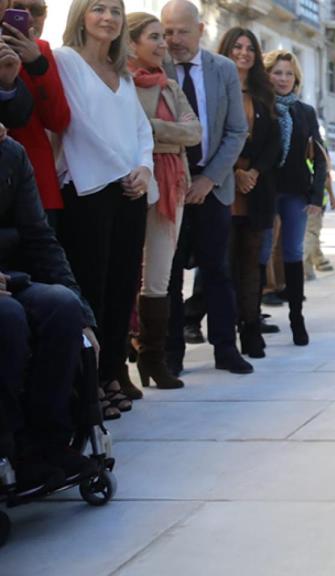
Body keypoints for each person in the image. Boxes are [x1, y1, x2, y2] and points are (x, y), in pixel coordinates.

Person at [55, 0, 154, 419]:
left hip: (129, 194)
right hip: (88, 190)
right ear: (81, 15)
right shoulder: (65, 61)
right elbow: (76, 123)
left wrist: (144, 169)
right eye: (99, 9)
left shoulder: (124, 76)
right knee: (90, 288)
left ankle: (112, 372)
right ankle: (87, 382)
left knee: (121, 289)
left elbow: (141, 130)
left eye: (115, 10)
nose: (109, 18)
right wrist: (122, 170)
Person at [0, 136, 101, 489]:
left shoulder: (10, 153)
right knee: (8, 318)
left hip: (11, 278)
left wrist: (84, 316)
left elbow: (40, 238)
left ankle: (46, 443)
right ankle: (7, 448)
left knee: (62, 306)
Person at [161, 0, 249, 375]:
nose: (174, 39)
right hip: (170, 187)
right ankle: (171, 354)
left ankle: (226, 349)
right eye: (167, 32)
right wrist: (182, 180)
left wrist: (209, 178)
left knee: (217, 271)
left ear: (200, 30)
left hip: (213, 186)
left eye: (182, 31)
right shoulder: (154, 67)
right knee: (169, 273)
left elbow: (235, 130)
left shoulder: (223, 69)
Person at [126, 11, 200, 389]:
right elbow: (125, 133)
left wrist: (152, 129)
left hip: (173, 187)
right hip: (132, 184)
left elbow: (194, 131)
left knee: (159, 277)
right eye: (154, 36)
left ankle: (153, 360)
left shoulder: (170, 86)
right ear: (131, 42)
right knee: (122, 276)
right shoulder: (121, 82)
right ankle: (117, 367)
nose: (162, 44)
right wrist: (163, 135)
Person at [218, 27, 280, 359]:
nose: (243, 53)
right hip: (224, 188)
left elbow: (273, 143)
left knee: (252, 266)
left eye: (249, 48)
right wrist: (234, 172)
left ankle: (252, 331)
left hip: (256, 190)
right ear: (225, 51)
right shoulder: (216, 89)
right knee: (223, 267)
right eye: (236, 47)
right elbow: (210, 139)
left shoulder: (263, 92)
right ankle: (225, 338)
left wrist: (252, 172)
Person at [264, 49, 325, 346]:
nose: (284, 78)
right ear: (267, 75)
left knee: (292, 255)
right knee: (260, 255)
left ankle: (297, 320)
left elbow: (321, 155)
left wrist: (317, 194)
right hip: (262, 191)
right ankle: (249, 322)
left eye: (289, 73)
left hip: (295, 192)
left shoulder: (305, 112)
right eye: (277, 72)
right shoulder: (259, 106)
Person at [4, 0, 70, 230]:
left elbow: (58, 120)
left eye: (38, 11)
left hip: (38, 184)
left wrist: (37, 65)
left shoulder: (41, 50)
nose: (30, 17)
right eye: (20, 9)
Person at [303, 141, 335, 280]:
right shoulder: (319, 148)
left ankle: (315, 262)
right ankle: (305, 265)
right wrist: (332, 196)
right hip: (315, 202)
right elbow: (326, 177)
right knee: (312, 233)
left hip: (300, 198)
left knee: (308, 234)